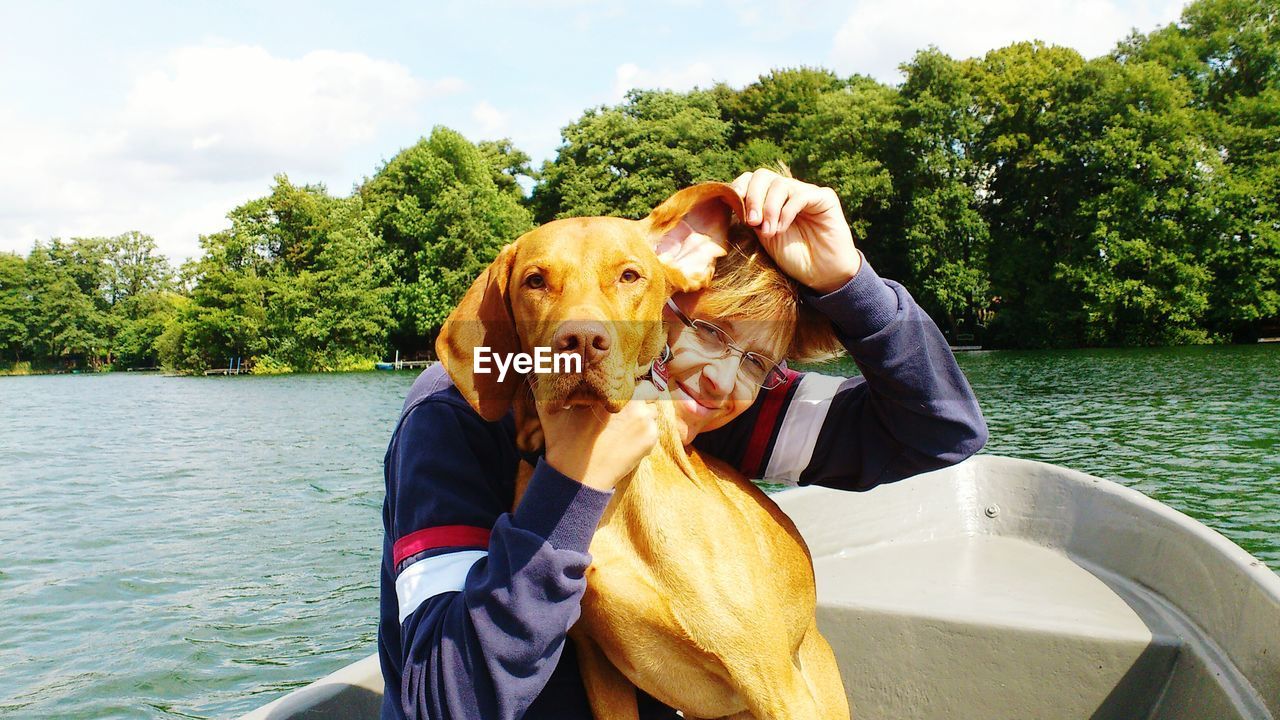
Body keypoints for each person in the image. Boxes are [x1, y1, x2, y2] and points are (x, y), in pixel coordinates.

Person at [378, 169, 988, 720]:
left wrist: (849, 281)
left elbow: (941, 430)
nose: (718, 376)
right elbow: (438, 701)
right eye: (706, 332)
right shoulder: (459, 411)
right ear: (666, 308)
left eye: (756, 360)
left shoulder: (720, 408)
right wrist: (570, 481)